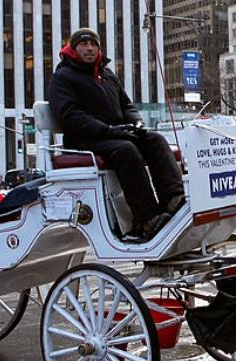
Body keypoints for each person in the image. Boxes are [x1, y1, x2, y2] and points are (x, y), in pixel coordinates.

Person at [49, 27, 185, 239]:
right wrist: (109, 130)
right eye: (83, 44)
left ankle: (174, 198)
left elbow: (126, 105)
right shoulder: (63, 77)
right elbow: (70, 116)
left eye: (93, 44)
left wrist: (137, 123)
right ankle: (146, 219)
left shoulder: (106, 74)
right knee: (126, 150)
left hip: (115, 133)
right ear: (73, 49)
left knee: (155, 140)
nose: (89, 48)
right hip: (85, 139)